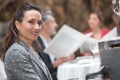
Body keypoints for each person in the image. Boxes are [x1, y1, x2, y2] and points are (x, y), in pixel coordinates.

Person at [0, 3, 52, 80]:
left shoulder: (30, 48)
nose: (37, 27)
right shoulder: (16, 53)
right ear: (18, 25)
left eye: (39, 23)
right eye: (31, 22)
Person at [38, 10, 75, 80]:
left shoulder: (51, 41)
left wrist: (66, 59)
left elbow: (58, 61)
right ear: (45, 25)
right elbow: (38, 71)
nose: (56, 25)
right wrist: (55, 64)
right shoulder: (37, 44)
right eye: (53, 22)